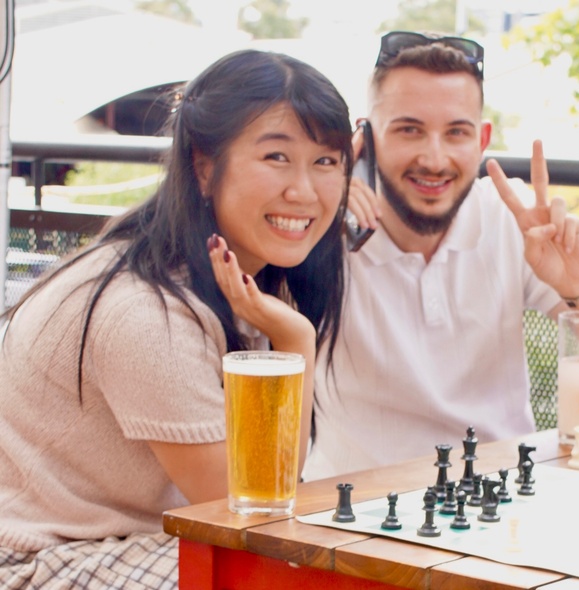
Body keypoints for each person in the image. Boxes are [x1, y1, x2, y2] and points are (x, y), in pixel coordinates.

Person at [0, 49, 352, 588]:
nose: (304, 191)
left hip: (140, 540)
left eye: (326, 162)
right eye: (277, 157)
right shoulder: (143, 309)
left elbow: (271, 490)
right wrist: (296, 340)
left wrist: (289, 334)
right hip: (43, 557)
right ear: (204, 165)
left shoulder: (233, 275)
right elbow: (252, 502)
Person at [303, 31, 579, 482]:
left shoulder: (511, 217)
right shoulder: (319, 229)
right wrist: (316, 215)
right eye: (409, 130)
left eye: (456, 132)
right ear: (366, 137)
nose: (434, 159)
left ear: (482, 140)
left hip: (496, 499)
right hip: (356, 513)